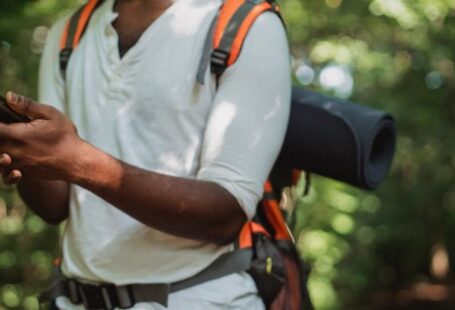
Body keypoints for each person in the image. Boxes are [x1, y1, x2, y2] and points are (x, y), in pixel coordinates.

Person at [0, 0, 291, 308]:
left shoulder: (245, 23)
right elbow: (55, 206)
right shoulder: (68, 34)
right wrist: (19, 148)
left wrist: (77, 161)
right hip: (75, 299)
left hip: (200, 298)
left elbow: (225, 216)